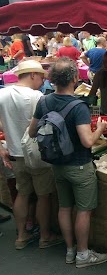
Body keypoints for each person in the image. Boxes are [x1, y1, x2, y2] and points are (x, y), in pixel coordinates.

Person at [28, 57, 107, 268]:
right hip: (80, 165)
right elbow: (87, 141)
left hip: (56, 164)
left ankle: (70, 250)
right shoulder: (78, 106)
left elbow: (32, 131)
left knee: (64, 207)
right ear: (75, 78)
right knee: (83, 210)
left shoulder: (44, 101)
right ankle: (83, 254)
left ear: (52, 79)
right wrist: (99, 128)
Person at [0, 60, 63, 250]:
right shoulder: (36, 96)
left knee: (22, 193)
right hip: (37, 154)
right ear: (33, 75)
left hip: (15, 153)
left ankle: (21, 236)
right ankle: (45, 236)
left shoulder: (2, 93)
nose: (42, 81)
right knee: (43, 195)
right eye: (41, 77)